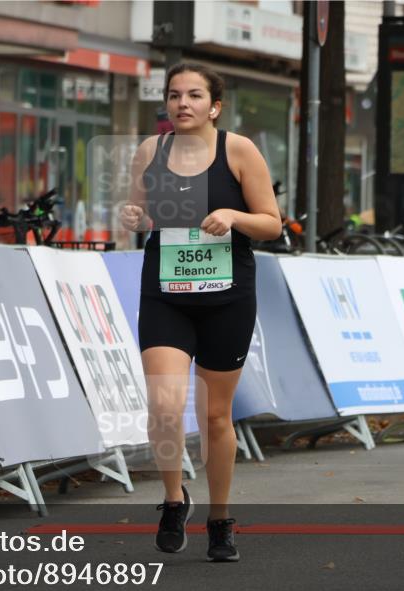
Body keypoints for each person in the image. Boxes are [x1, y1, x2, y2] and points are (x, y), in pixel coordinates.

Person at [118, 63, 282, 562]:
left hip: (226, 297)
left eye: (193, 95)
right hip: (166, 293)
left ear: (214, 107)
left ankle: (220, 518)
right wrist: (133, 216)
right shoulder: (150, 151)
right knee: (165, 404)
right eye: (174, 95)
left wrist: (233, 215)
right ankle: (173, 500)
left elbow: (271, 224)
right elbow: (140, 214)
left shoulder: (239, 150)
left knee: (214, 416)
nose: (182, 103)